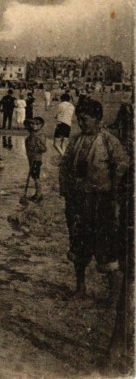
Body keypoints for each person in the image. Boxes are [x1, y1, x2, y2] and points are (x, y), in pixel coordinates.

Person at [59, 98, 129, 303]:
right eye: (79, 119)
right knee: (78, 244)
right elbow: (64, 166)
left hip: (101, 202)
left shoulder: (108, 141)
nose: (81, 123)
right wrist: (66, 192)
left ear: (98, 119)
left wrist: (115, 192)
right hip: (78, 202)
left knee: (105, 245)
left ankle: (114, 294)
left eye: (85, 119)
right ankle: (80, 288)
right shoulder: (76, 140)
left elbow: (122, 165)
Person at [25, 117, 48, 202]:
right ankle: (37, 193)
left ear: (41, 126)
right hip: (31, 158)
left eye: (37, 124)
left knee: (36, 176)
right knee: (33, 175)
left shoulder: (41, 136)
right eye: (33, 124)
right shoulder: (31, 135)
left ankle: (39, 194)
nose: (34, 125)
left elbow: (44, 149)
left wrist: (38, 144)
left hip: (37, 159)